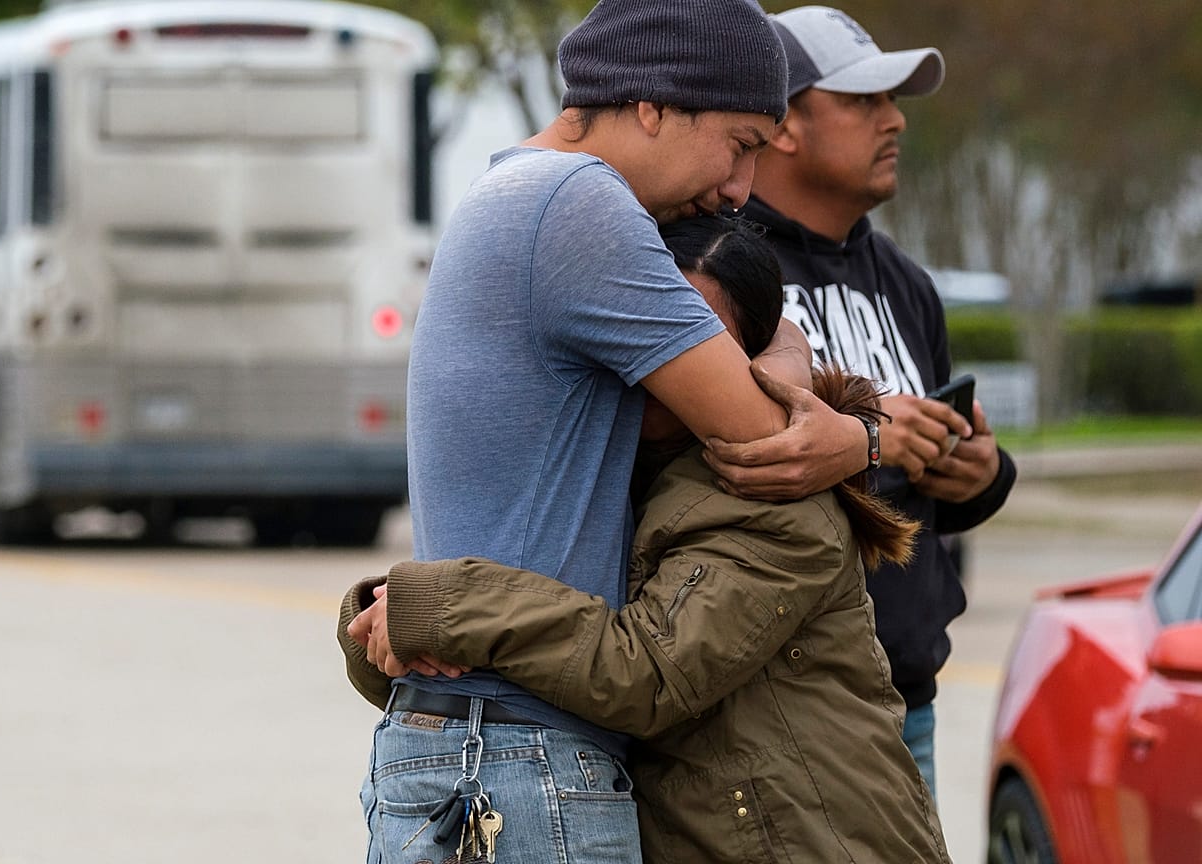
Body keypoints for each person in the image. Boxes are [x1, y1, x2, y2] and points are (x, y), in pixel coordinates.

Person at [351, 1, 879, 862]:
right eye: (742, 143)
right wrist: (821, 388)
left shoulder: (508, 189)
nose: (742, 191)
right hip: (519, 756)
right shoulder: (579, 204)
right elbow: (764, 440)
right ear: (654, 105)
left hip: (471, 742)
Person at [341, 215, 952, 863]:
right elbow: (506, 651)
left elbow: (649, 675)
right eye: (645, 329)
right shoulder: (615, 467)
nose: (658, 359)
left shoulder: (774, 495)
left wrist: (442, 607)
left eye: (694, 341)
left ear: (743, 358)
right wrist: (386, 621)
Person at [721, 4, 1019, 793]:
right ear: (781, 124)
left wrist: (979, 473)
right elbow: (719, 471)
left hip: (909, 703)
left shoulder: (906, 282)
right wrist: (876, 437)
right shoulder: (722, 271)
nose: (895, 122)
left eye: (894, 101)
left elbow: (930, 511)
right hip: (787, 712)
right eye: (863, 100)